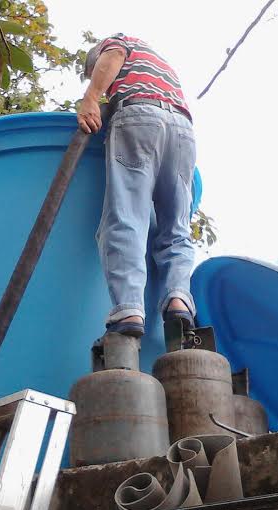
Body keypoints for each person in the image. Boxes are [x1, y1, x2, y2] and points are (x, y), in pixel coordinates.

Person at [77, 34, 197, 338]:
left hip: (140, 116)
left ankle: (129, 309)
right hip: (183, 129)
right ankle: (178, 299)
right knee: (176, 226)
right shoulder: (160, 64)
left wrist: (92, 97)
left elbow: (113, 54)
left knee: (127, 215)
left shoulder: (119, 42)